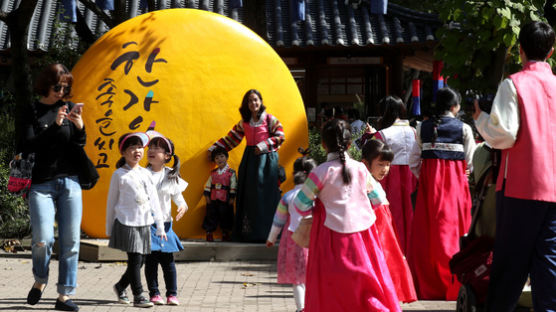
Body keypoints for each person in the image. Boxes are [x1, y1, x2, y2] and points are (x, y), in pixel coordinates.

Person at [473, 21, 556, 311]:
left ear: (520, 50)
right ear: (552, 51)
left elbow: (504, 135)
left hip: (521, 186)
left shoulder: (514, 84)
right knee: (549, 262)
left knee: (510, 263)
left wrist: (481, 119)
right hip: (555, 188)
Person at [292, 119, 400, 312]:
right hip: (363, 237)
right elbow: (378, 200)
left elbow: (300, 204)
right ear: (350, 144)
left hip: (330, 238)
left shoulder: (320, 172)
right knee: (366, 284)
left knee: (332, 286)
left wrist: (318, 208)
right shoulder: (360, 169)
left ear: (324, 145)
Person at [24, 63, 85, 312]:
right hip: (41, 183)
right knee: (42, 239)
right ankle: (40, 279)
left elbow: (77, 145)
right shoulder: (33, 110)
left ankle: (64, 296)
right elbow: (28, 145)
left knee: (71, 242)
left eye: (66, 87)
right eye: (58, 86)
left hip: (70, 181)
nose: (62, 92)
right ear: (46, 84)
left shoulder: (69, 108)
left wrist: (80, 128)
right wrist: (56, 127)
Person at [407, 87, 476, 300]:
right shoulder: (463, 128)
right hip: (456, 190)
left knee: (428, 237)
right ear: (455, 107)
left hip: (429, 190)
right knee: (453, 235)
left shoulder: (422, 127)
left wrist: (427, 178)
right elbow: (471, 164)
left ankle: (429, 285)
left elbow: (413, 162)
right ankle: (454, 283)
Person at [208, 89, 285, 242]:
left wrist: (264, 145)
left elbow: (281, 136)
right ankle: (249, 233)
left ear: (261, 101)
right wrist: (213, 150)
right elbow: (231, 139)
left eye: (256, 100)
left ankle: (270, 233)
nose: (253, 103)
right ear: (246, 104)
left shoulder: (270, 119)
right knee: (249, 196)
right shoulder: (244, 123)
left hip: (267, 162)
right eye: (250, 101)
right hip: (249, 162)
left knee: (266, 196)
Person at [106, 132, 167, 308]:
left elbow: (154, 200)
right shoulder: (119, 174)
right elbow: (111, 202)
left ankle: (120, 286)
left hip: (145, 222)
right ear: (123, 153)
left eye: (139, 147)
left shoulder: (146, 173)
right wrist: (109, 228)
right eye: (132, 148)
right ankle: (139, 295)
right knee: (135, 259)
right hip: (126, 222)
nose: (137, 151)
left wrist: (160, 226)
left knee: (141, 260)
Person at [361, 139, 417, 303]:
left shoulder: (373, 182)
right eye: (380, 164)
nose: (385, 169)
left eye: (387, 164)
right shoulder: (366, 182)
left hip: (385, 231)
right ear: (365, 163)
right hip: (376, 231)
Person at [266, 150, 317, 312]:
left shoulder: (287, 197)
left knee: (298, 279)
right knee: (314, 278)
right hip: (315, 242)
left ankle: (301, 308)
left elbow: (278, 221)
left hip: (293, 241)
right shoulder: (319, 197)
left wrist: (271, 238)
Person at [144, 127, 188, 306]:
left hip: (166, 225)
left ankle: (172, 294)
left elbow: (179, 197)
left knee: (168, 261)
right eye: (150, 147)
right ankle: (154, 293)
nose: (152, 151)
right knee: (151, 261)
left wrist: (182, 206)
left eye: (157, 148)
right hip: (147, 224)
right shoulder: (142, 174)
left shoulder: (170, 175)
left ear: (167, 156)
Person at [372, 95, 421, 254]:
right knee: (412, 214)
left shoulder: (382, 134)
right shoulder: (414, 131)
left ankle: (394, 251)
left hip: (390, 175)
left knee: (392, 215)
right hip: (411, 174)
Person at [202, 146, 237, 242]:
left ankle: (225, 233)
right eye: (216, 158)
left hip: (225, 199)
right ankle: (209, 233)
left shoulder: (231, 173)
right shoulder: (213, 173)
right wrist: (207, 196)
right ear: (214, 161)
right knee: (210, 215)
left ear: (226, 157)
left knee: (225, 216)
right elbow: (209, 184)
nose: (219, 159)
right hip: (213, 198)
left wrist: (232, 197)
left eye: (221, 156)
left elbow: (233, 185)